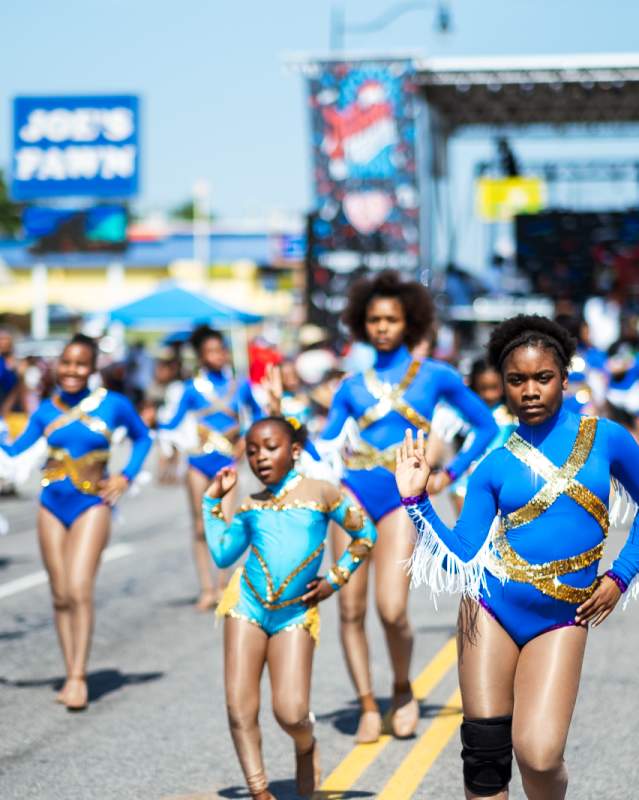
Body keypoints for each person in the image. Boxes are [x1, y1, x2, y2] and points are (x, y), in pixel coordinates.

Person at [395, 314, 639, 800]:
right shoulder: (494, 463)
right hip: (489, 609)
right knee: (485, 759)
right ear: (504, 385)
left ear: (565, 379)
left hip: (562, 616)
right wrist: (417, 502)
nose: (530, 390)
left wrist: (621, 574)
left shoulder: (607, 439)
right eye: (517, 380)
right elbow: (460, 557)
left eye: (543, 378)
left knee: (540, 756)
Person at [319, 270, 498, 743]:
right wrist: (287, 415)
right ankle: (365, 704)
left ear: (409, 322)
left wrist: (447, 475)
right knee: (350, 609)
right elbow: (324, 444)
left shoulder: (436, 376)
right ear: (361, 323)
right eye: (374, 319)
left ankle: (401, 688)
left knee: (392, 608)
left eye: (391, 319)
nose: (382, 327)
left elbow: (486, 428)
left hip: (401, 499)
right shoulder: (350, 386)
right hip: (352, 495)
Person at [202, 416, 376, 799]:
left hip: (295, 613)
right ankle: (259, 789)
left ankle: (305, 744)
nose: (260, 458)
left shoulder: (323, 493)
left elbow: (365, 534)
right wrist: (212, 500)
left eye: (270, 447)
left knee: (291, 712)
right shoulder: (249, 507)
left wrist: (336, 579)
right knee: (239, 707)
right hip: (245, 605)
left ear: (294, 450)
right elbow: (221, 554)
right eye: (251, 452)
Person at [0, 334, 152, 711]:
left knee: (79, 588)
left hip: (93, 504)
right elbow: (14, 452)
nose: (72, 370)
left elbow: (142, 437)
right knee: (59, 593)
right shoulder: (45, 411)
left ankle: (77, 677)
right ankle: (69, 669)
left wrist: (126, 476)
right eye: (66, 363)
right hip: (51, 503)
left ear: (92, 367)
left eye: (80, 364)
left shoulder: (113, 404)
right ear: (57, 366)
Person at [159, 325, 262, 610]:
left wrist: (246, 440)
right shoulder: (192, 389)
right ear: (201, 357)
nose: (217, 356)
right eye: (210, 351)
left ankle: (223, 586)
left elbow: (259, 414)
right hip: (197, 462)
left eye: (220, 350)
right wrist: (152, 426)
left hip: (228, 463)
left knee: (225, 525)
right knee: (200, 527)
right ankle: (206, 588)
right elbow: (173, 421)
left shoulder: (240, 385)